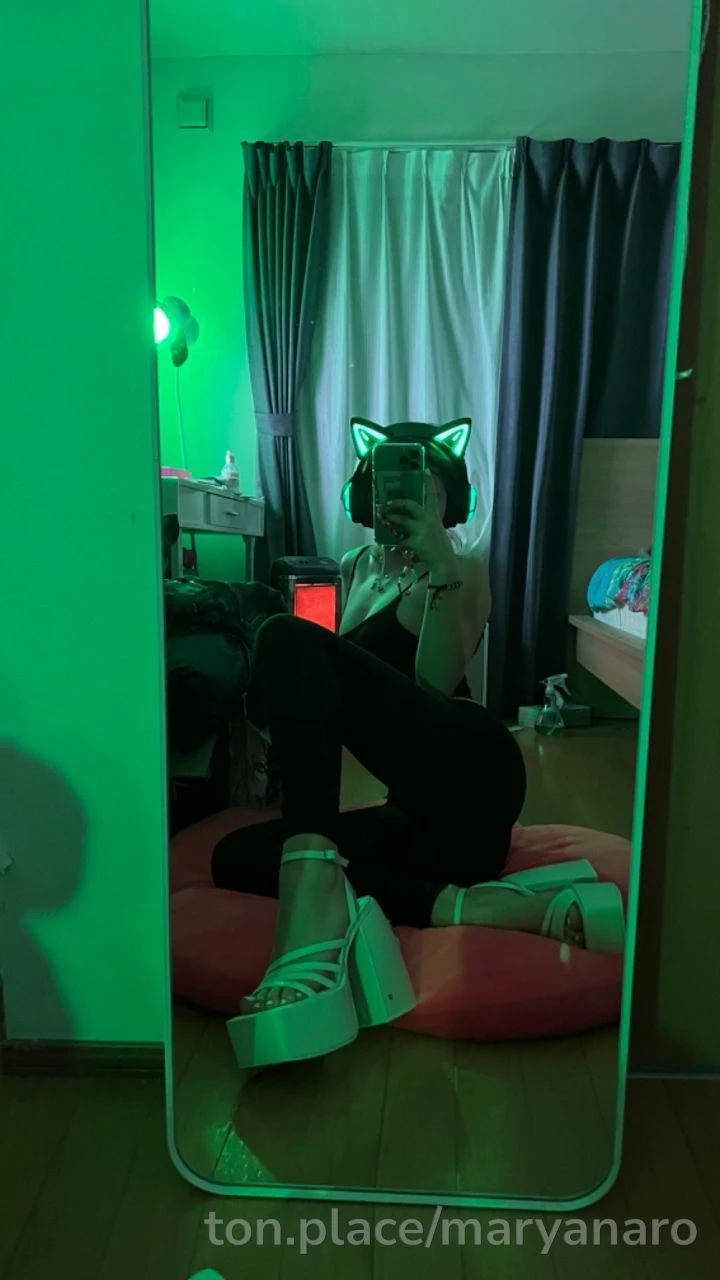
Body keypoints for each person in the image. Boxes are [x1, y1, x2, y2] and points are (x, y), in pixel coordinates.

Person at [216, 418, 625, 1069]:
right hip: (420, 828)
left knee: (285, 638)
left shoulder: (464, 568)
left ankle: (314, 910)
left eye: (422, 485)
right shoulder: (353, 567)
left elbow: (435, 684)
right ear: (364, 493)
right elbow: (326, 704)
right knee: (235, 856)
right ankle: (477, 904)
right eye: (386, 481)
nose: (400, 495)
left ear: (447, 499)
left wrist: (438, 565)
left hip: (469, 773)